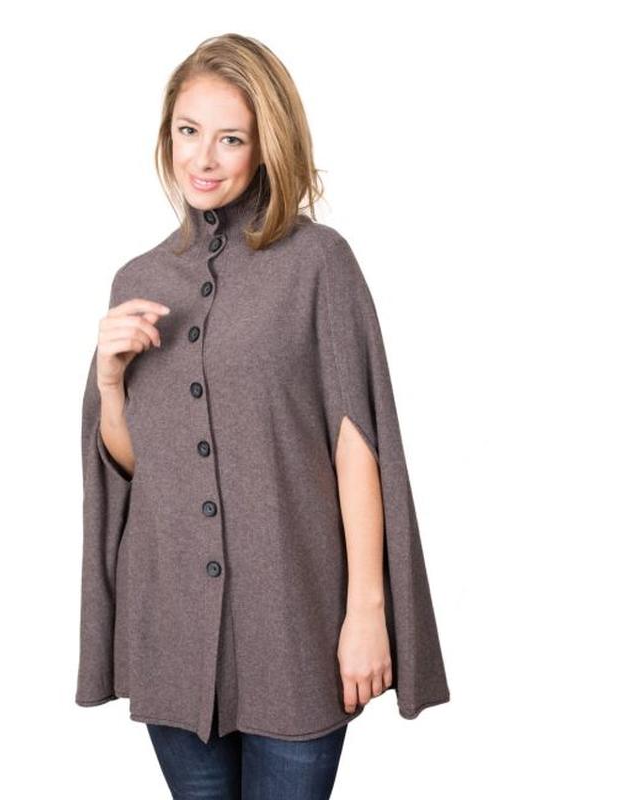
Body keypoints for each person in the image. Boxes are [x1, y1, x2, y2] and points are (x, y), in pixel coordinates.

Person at [76, 33, 450, 799]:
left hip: (294, 619)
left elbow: (355, 443)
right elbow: (139, 464)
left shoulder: (318, 263)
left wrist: (366, 609)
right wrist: (111, 382)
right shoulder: (137, 278)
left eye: (230, 138)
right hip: (172, 627)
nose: (203, 158)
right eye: (188, 131)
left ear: (267, 145)